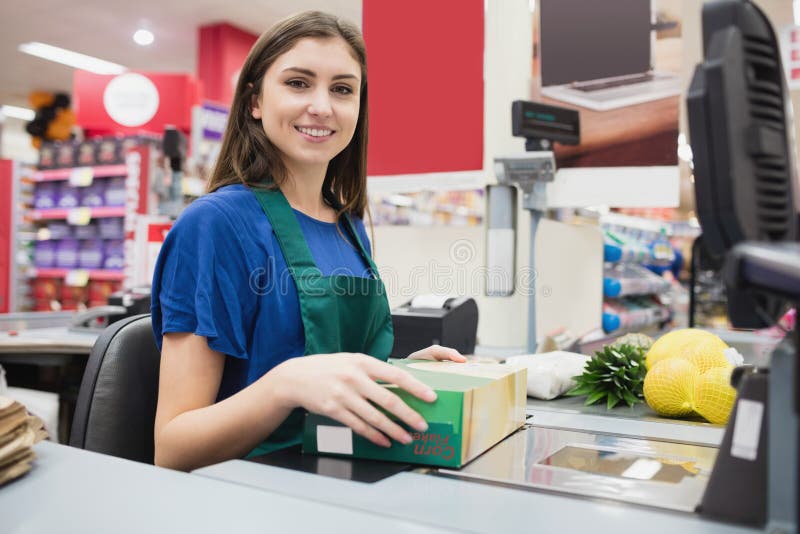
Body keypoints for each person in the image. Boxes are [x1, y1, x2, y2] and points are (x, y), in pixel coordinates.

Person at [150, 11, 466, 472]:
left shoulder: (349, 224)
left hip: (342, 475)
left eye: (342, 89)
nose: (322, 106)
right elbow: (172, 449)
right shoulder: (215, 225)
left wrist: (398, 373)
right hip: (249, 494)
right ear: (254, 101)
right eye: (298, 83)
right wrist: (284, 385)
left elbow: (330, 367)